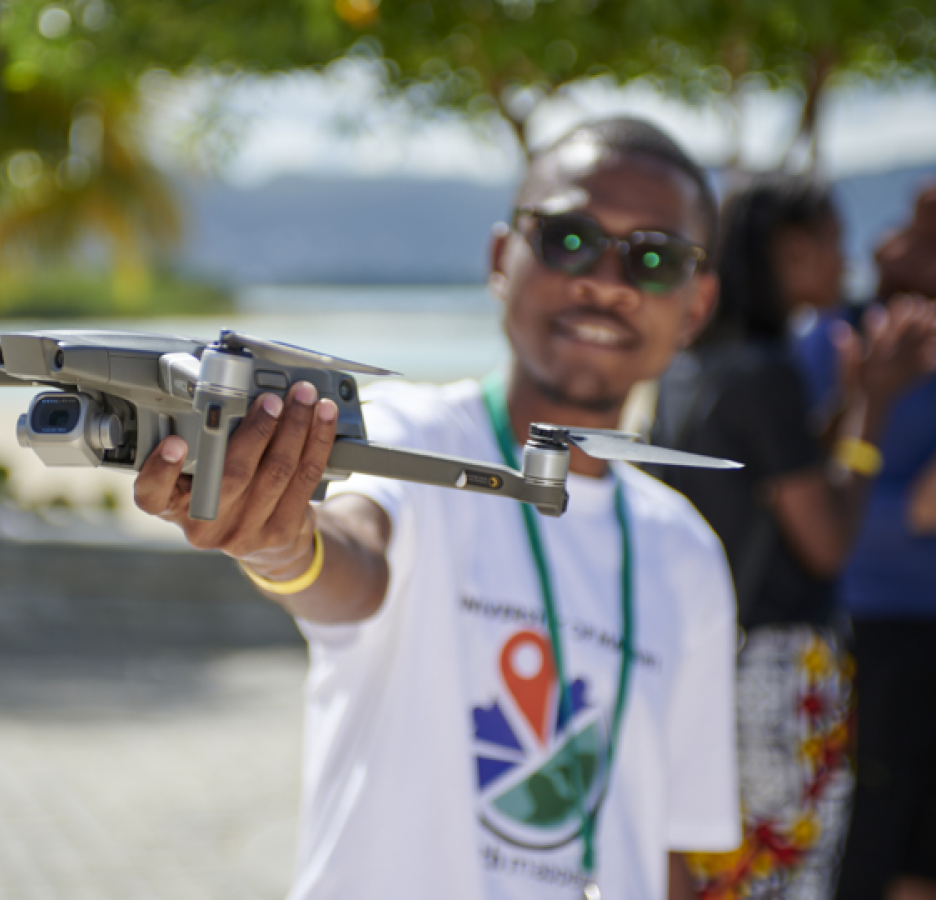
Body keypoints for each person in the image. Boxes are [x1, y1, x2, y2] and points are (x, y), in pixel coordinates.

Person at [135, 117, 740, 900]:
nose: (607, 280)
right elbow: (351, 551)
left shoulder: (685, 551)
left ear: (696, 305)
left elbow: (675, 848)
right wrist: (279, 545)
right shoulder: (412, 438)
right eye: (569, 239)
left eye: (655, 258)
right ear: (500, 259)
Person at [651, 177, 936, 900]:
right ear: (792, 250)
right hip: (776, 674)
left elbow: (771, 481)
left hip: (704, 654)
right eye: (834, 242)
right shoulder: (768, 372)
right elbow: (825, 542)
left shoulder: (691, 367)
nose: (849, 260)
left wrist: (852, 397)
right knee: (782, 883)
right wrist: (875, 407)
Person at [794, 183, 936, 900]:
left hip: (910, 626)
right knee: (865, 833)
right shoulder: (838, 340)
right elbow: (916, 508)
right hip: (864, 623)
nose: (888, 244)